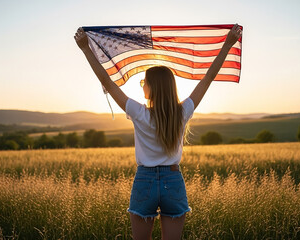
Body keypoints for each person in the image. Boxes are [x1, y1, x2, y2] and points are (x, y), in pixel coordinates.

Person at [75, 24, 242, 240]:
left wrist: (85, 49)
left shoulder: (139, 112)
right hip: (173, 180)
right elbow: (208, 78)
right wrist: (228, 44)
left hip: (145, 181)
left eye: (144, 82)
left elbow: (106, 81)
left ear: (152, 87)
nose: (142, 86)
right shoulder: (182, 112)